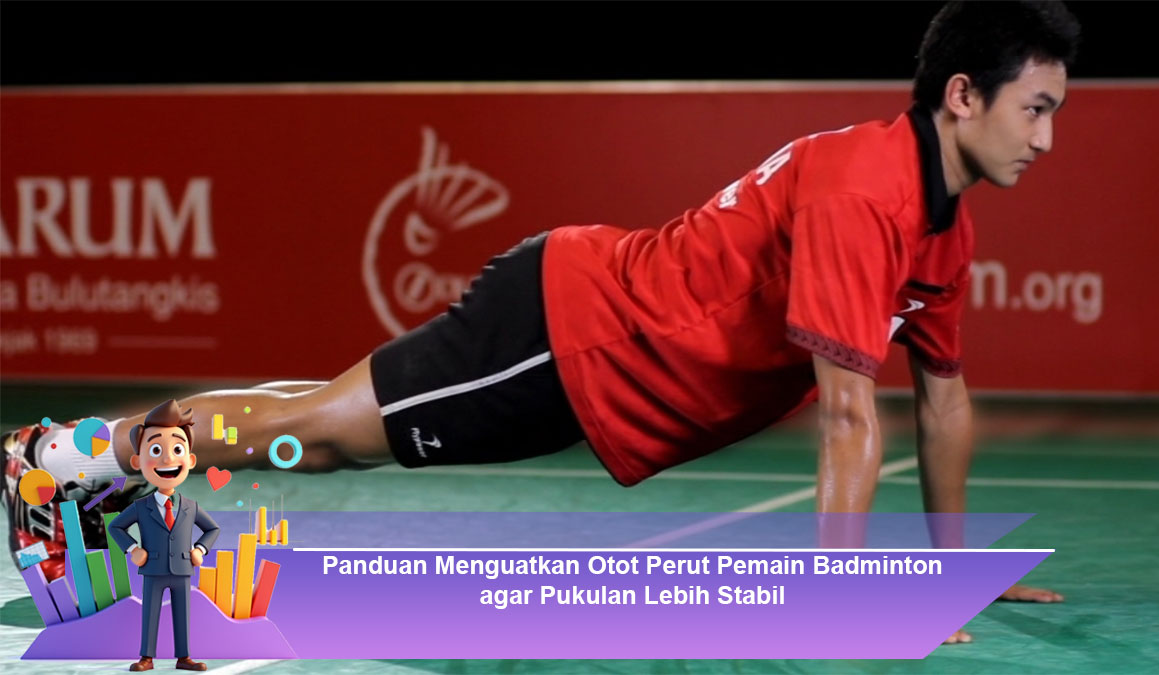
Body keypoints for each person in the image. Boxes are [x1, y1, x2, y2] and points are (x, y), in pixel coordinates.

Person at [4, 1, 1078, 644]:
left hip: (593, 367)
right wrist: (849, 608)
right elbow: (848, 417)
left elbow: (943, 403)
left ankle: (81, 466)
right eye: (1035, 109)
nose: (1045, 139)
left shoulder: (941, 229)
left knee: (330, 428)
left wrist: (948, 571)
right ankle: (61, 460)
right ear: (961, 96)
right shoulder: (864, 191)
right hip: (571, 334)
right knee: (325, 433)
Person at [109, 400, 220, 671]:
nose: (168, 460)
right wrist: (133, 549)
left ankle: (184, 657)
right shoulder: (141, 506)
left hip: (182, 567)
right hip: (153, 568)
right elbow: (116, 527)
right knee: (151, 613)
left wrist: (200, 549)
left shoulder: (191, 507)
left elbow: (212, 529)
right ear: (137, 461)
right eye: (156, 450)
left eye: (177, 449)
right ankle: (146, 657)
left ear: (190, 460)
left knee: (183, 614)